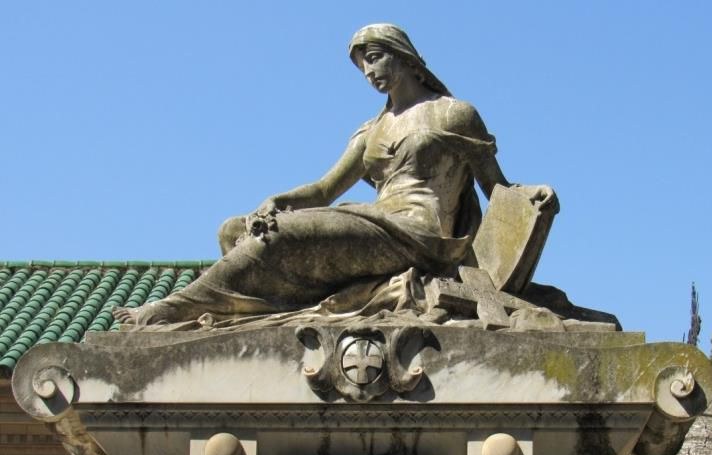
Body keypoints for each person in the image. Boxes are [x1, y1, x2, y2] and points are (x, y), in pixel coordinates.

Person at [114, 23, 552, 328]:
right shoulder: (370, 131)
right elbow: (324, 189)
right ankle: (235, 311)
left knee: (277, 238)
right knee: (234, 230)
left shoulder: (454, 114)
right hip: (376, 221)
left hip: (419, 232)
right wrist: (277, 201)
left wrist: (533, 197)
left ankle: (173, 309)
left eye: (375, 59)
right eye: (362, 66)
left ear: (404, 56)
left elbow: (497, 188)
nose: (369, 72)